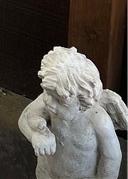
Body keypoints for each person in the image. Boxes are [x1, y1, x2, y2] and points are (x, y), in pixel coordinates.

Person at [18, 46, 128, 179]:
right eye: (48, 94)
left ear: (82, 100)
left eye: (60, 101)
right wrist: (36, 135)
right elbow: (25, 118)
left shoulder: (98, 120)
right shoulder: (49, 99)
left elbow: (111, 157)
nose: (50, 103)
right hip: (46, 173)